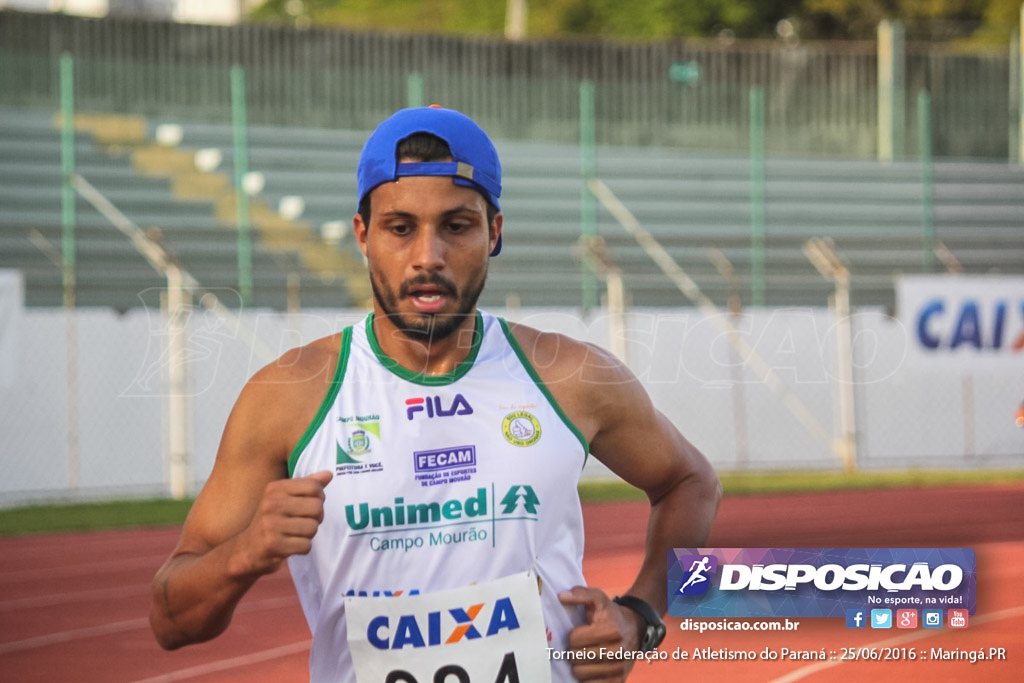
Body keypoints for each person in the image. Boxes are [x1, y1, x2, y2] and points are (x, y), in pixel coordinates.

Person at [149, 106, 721, 682]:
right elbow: (172, 619)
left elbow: (690, 482)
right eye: (400, 228)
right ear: (363, 236)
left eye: (456, 226)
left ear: (493, 232)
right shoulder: (287, 397)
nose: (428, 256)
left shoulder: (569, 375)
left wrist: (640, 616)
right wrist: (245, 552)